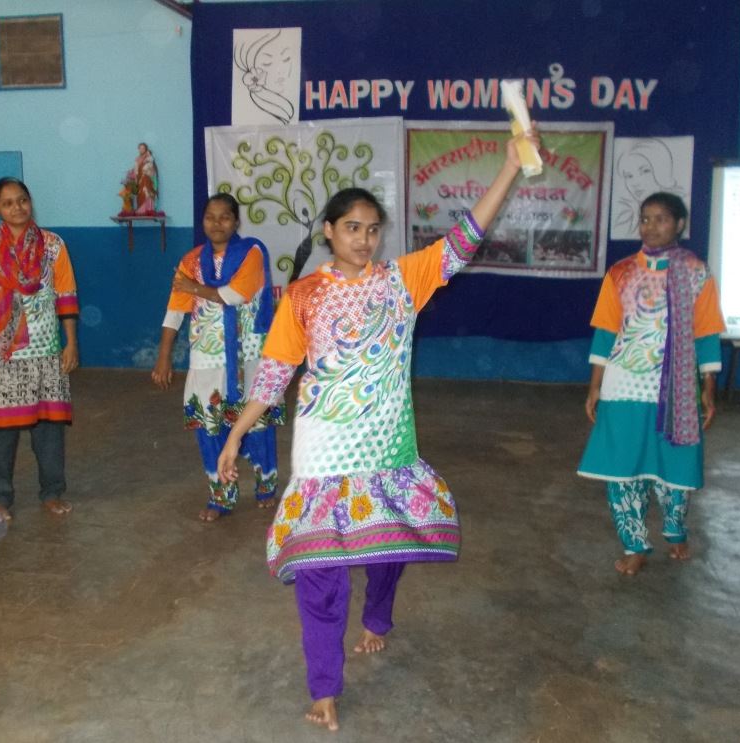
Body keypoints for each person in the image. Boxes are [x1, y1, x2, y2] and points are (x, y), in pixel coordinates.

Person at [216, 130, 538, 731]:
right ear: (328, 232)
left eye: (372, 229)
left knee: (387, 546)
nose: (364, 239)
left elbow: (465, 237)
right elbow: (275, 373)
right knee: (321, 570)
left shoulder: (403, 280)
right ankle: (324, 686)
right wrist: (236, 434)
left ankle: (378, 618)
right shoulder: (303, 296)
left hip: (387, 446)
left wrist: (510, 168)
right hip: (323, 450)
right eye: (352, 228)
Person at [578, 192, 724, 576]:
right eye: (645, 219)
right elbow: (606, 332)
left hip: (677, 391)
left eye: (661, 219)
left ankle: (675, 530)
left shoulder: (696, 272)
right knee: (622, 467)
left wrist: (708, 387)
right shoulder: (621, 272)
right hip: (624, 386)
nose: (650, 226)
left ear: (679, 224)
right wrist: (595, 386)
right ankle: (635, 543)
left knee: (674, 464)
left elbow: (706, 332)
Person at [152, 193, 282, 522]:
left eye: (225, 217)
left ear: (236, 221)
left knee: (257, 423)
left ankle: (266, 486)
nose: (217, 223)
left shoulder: (251, 253)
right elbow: (175, 310)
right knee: (208, 426)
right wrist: (164, 356)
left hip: (248, 356)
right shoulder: (191, 261)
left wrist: (193, 288)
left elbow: (235, 294)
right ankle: (221, 496)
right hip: (206, 358)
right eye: (210, 217)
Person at [0, 177, 79, 524]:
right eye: (8, 203)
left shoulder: (53, 246)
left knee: (49, 429)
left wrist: (70, 342)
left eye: (23, 200)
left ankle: (52, 492)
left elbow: (66, 294)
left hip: (44, 350)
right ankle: (0, 498)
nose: (18, 208)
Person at [135, 143, 158, 215]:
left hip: (147, 178)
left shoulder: (149, 157)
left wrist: (147, 171)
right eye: (140, 148)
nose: (141, 150)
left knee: (147, 192)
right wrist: (136, 176)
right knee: (140, 193)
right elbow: (136, 170)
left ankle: (148, 209)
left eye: (143, 148)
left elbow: (151, 168)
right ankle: (141, 210)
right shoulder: (137, 159)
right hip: (140, 179)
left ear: (146, 149)